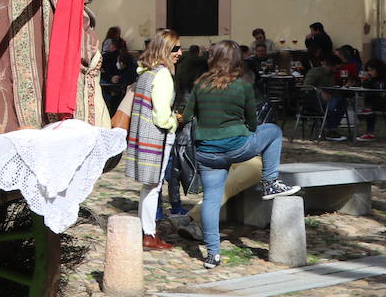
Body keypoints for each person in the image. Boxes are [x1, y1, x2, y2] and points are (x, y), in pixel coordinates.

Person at [184, 40, 301, 268]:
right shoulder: (243, 86)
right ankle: (270, 182)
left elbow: (188, 116)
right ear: (238, 60)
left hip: (207, 153)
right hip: (237, 147)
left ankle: (212, 254)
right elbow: (253, 121)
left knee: (210, 200)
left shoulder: (200, 85)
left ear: (213, 58)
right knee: (274, 132)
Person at [123, 29, 181, 251]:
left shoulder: (146, 72)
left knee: (148, 187)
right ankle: (149, 233)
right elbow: (161, 114)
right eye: (176, 49)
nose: (180, 53)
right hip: (156, 136)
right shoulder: (163, 74)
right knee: (154, 186)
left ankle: (145, 230)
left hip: (142, 134)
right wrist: (173, 122)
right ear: (166, 50)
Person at [304, 53, 349, 140]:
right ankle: (331, 130)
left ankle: (332, 128)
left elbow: (329, 89)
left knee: (342, 102)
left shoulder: (331, 75)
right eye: (337, 68)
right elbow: (306, 87)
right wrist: (320, 92)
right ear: (331, 65)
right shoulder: (315, 72)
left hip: (326, 100)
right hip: (312, 101)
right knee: (335, 102)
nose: (338, 70)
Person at [358, 58, 385, 142]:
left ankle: (369, 108)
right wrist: (367, 80)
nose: (369, 72)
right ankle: (369, 133)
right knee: (370, 97)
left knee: (371, 106)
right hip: (377, 103)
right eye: (368, 70)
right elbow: (366, 89)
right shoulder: (372, 79)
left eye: (371, 70)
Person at [173, 44, 208, 108]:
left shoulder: (184, 55)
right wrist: (205, 52)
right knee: (185, 96)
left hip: (179, 78)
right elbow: (204, 60)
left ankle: (177, 107)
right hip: (187, 80)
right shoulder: (193, 57)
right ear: (197, 51)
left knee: (179, 95)